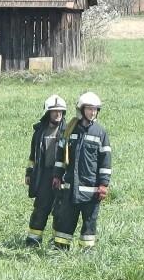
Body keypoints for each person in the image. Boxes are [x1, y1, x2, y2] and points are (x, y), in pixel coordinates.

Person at [52, 91, 111, 250]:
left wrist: (103, 185)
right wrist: (57, 175)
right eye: (90, 109)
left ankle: (87, 251)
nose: (93, 112)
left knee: (89, 222)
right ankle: (60, 250)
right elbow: (60, 155)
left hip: (92, 190)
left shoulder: (100, 133)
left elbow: (105, 161)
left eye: (95, 109)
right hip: (71, 187)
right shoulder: (69, 130)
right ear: (81, 110)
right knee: (65, 221)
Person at [24, 94, 68, 246]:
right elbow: (33, 155)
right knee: (40, 208)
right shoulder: (40, 132)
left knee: (60, 210)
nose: (58, 114)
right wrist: (29, 172)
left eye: (60, 111)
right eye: (54, 111)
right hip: (44, 175)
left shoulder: (68, 131)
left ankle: (57, 242)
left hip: (62, 176)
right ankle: (33, 240)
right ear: (48, 113)